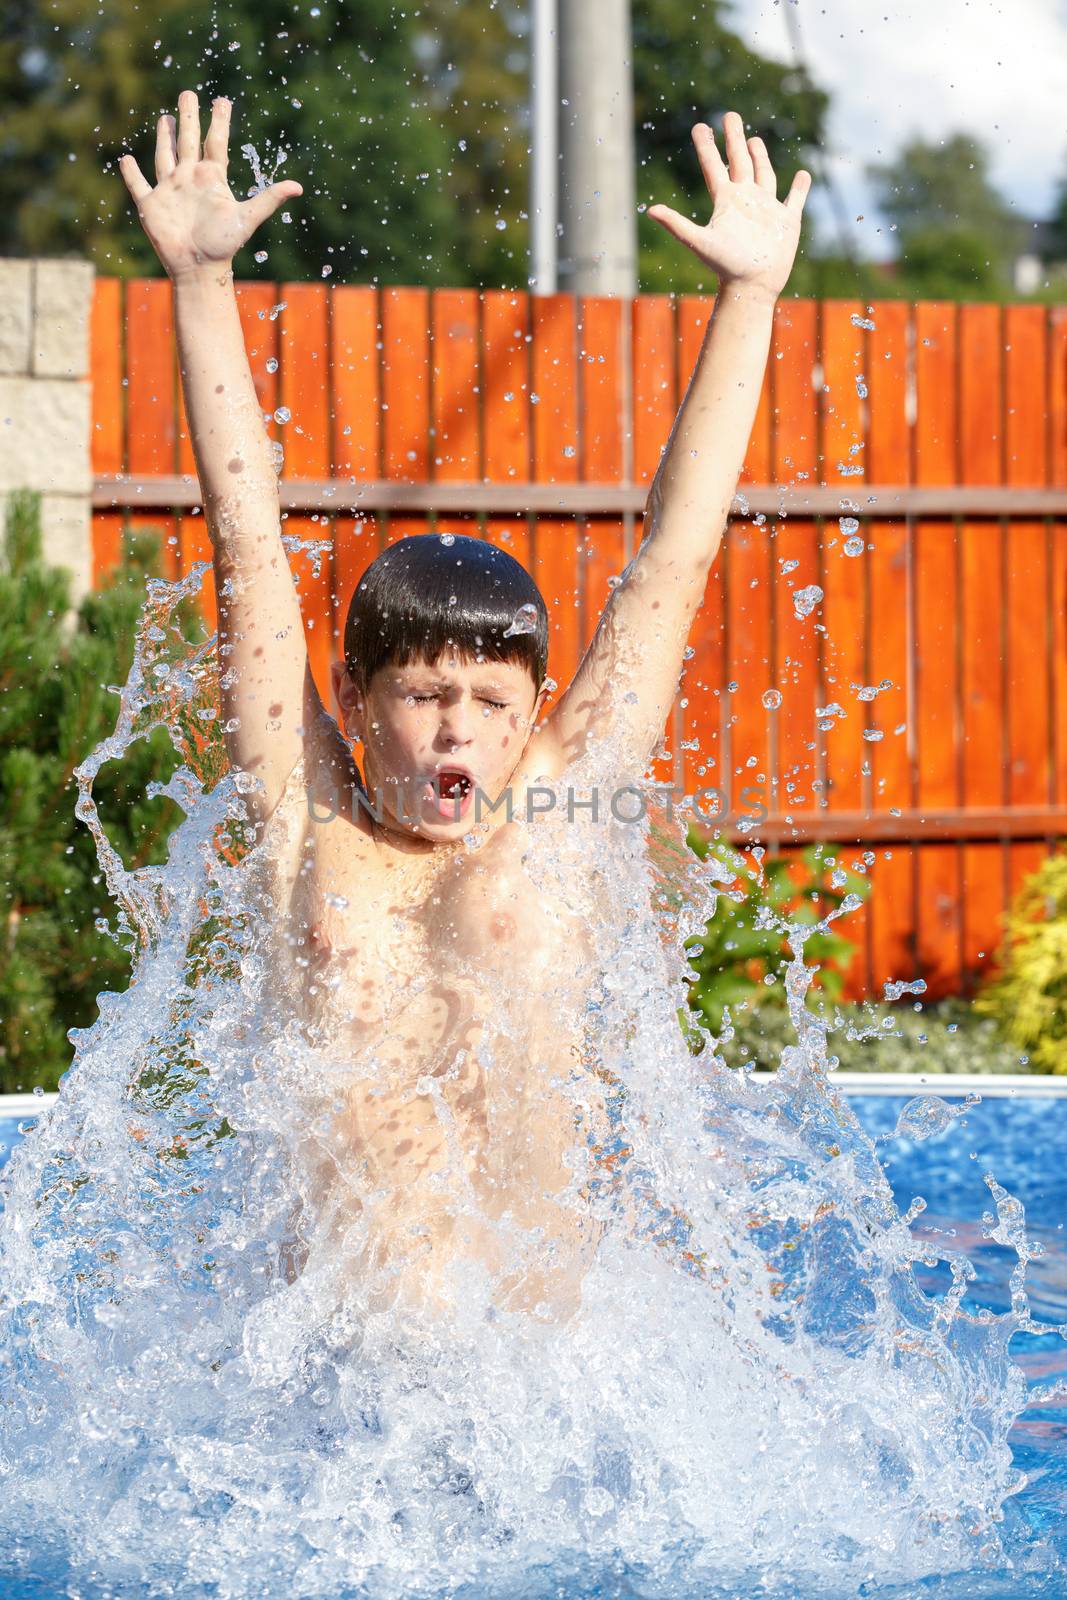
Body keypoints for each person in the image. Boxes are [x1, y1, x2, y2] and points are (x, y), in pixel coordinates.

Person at [117, 90, 810, 1322]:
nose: (458, 732)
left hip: (535, 1387)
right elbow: (247, 548)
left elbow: (671, 561)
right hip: (342, 1384)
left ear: (533, 709)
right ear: (354, 696)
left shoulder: (550, 801)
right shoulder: (304, 810)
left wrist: (748, 298)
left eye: (493, 702)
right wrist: (198, 285)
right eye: (425, 694)